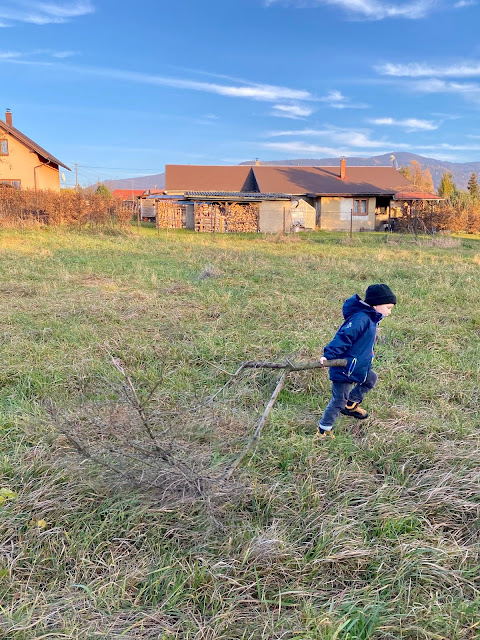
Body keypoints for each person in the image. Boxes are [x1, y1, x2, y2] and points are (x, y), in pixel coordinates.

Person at [316, 284, 396, 439]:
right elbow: (344, 337)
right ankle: (323, 430)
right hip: (344, 368)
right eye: (388, 308)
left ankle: (351, 404)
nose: (389, 312)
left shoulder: (371, 319)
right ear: (376, 304)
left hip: (358, 367)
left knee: (371, 379)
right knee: (338, 400)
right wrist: (329, 355)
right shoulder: (361, 318)